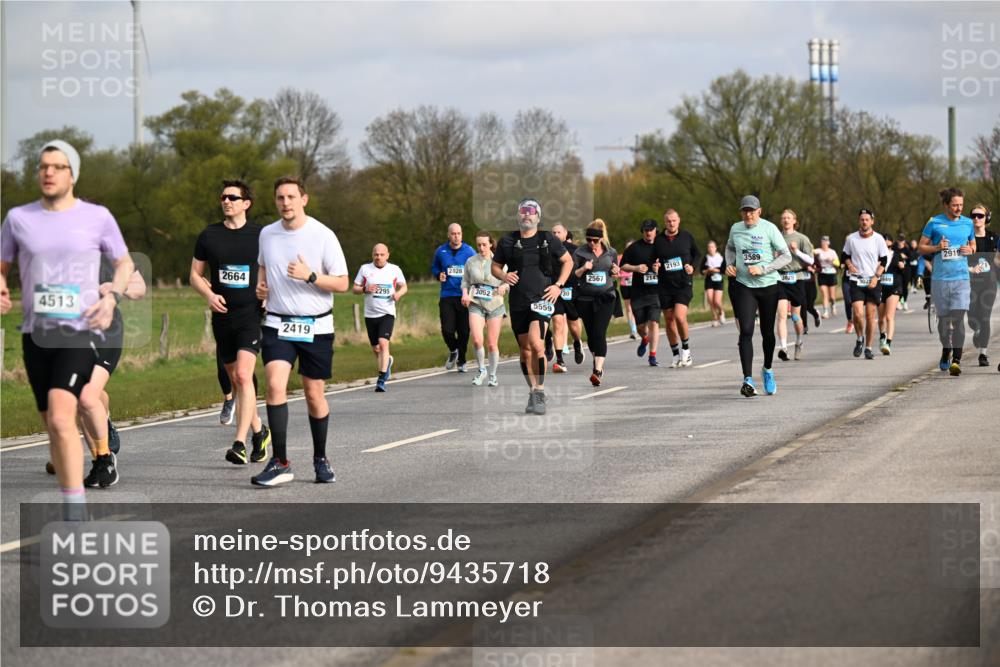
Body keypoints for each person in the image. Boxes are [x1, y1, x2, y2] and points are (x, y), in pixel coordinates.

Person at [1, 140, 134, 516]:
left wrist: (111, 299)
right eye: (43, 166)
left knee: (63, 414)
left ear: (71, 174)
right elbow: (2, 265)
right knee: (55, 427)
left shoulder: (98, 217)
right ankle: (74, 490)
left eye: (57, 166)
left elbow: (124, 265)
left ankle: (75, 513)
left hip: (80, 330)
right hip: (35, 335)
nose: (48, 172)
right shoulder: (18, 219)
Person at [251, 176, 349, 486]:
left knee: (313, 393)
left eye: (291, 197)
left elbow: (343, 283)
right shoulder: (267, 234)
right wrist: (261, 287)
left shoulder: (323, 236)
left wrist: (310, 276)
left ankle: (320, 458)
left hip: (316, 325)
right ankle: (279, 462)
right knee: (274, 385)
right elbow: (263, 267)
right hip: (278, 323)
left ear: (303, 199)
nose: (285, 203)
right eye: (280, 197)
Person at [191, 179, 272, 465]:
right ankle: (260, 431)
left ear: (246, 204)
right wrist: (209, 295)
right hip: (222, 318)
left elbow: (271, 271)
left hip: (250, 315)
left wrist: (266, 291)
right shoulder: (209, 235)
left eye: (233, 197)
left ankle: (239, 443)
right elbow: (194, 274)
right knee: (236, 380)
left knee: (242, 376)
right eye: (223, 197)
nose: (226, 201)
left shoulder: (262, 236)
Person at [491, 199, 572, 415]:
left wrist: (558, 286)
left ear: (538, 217)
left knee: (537, 344)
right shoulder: (508, 241)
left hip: (542, 299)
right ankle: (532, 391)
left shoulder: (547, 239)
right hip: (518, 301)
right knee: (525, 350)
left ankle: (540, 391)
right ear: (518, 215)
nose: (527, 215)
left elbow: (568, 261)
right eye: (523, 211)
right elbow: (495, 266)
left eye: (531, 211)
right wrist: (503, 275)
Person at [724, 195, 791, 396]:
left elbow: (786, 256)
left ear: (759, 211)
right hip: (744, 285)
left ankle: (768, 370)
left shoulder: (769, 228)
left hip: (768, 285)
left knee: (767, 333)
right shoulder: (736, 228)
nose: (748, 214)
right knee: (745, 330)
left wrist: (764, 269)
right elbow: (729, 248)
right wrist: (730, 263)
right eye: (745, 210)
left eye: (752, 211)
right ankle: (748, 380)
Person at [919, 187, 975, 376]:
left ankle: (957, 361)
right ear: (945, 205)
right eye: (955, 205)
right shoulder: (934, 223)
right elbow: (921, 247)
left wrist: (971, 250)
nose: (959, 208)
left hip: (961, 278)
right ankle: (946, 350)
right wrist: (936, 246)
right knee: (944, 322)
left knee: (958, 319)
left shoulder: (968, 224)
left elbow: (972, 244)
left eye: (961, 205)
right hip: (940, 279)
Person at [353, 243, 407, 392]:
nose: (378, 257)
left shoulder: (394, 270)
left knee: (383, 344)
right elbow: (354, 289)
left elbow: (404, 287)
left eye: (382, 254)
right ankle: (387, 361)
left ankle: (381, 379)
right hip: (370, 314)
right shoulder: (365, 269)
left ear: (387, 255)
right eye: (376, 254)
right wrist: (364, 289)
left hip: (387, 313)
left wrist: (398, 294)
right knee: (376, 349)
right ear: (372, 255)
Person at [573, 220, 620, 386]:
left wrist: (616, 272)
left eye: (595, 240)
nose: (592, 243)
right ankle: (596, 361)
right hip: (585, 299)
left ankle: (597, 370)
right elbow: (574, 275)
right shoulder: (580, 253)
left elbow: (615, 272)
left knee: (600, 333)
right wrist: (584, 268)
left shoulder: (611, 252)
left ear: (601, 239)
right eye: (589, 240)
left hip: (606, 297)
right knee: (592, 336)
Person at [655, 209, 700, 367]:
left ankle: (686, 351)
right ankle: (675, 354)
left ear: (678, 221)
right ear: (665, 222)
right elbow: (652, 259)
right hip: (665, 285)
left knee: (680, 317)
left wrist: (692, 267)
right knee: (669, 320)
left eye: (674, 220)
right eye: (668, 221)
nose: (671, 223)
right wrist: (655, 265)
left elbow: (697, 255)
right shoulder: (658, 240)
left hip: (683, 283)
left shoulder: (687, 237)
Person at [461, 230, 507, 387]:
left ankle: (493, 375)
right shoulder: (470, 261)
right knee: (476, 339)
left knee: (492, 344)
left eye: (484, 245)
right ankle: (481, 370)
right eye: (478, 245)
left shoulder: (500, 262)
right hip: (476, 303)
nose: (481, 248)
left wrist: (505, 287)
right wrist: (465, 294)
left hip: (495, 304)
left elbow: (509, 280)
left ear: (491, 244)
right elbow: (465, 281)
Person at [843, 208, 889, 360]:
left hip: (873, 280)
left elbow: (884, 260)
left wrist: (876, 277)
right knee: (857, 313)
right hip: (856, 280)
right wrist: (849, 265)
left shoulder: (878, 239)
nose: (864, 222)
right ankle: (859, 339)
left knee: (870, 315)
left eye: (867, 219)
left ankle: (868, 347)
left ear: (872, 221)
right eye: (862, 219)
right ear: (859, 221)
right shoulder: (852, 239)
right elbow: (845, 255)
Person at [431, 223, 475, 372]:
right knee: (447, 330)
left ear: (461, 235)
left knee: (463, 331)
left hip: (464, 296)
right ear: (448, 235)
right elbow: (435, 267)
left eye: (459, 233)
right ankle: (454, 350)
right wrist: (439, 275)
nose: (456, 236)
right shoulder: (441, 251)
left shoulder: (469, 251)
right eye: (453, 234)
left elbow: (476, 270)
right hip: (447, 295)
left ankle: (462, 360)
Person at [620, 220, 662, 366]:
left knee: (654, 323)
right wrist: (636, 268)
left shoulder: (662, 246)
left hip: (656, 292)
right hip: (638, 293)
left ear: (656, 230)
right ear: (642, 231)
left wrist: (660, 269)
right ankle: (644, 338)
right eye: (646, 230)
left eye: (651, 230)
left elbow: (671, 263)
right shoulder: (634, 248)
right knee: (640, 327)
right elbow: (623, 265)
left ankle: (652, 355)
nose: (648, 233)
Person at [775, 209, 814, 361]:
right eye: (783, 217)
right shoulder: (775, 237)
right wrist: (774, 256)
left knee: (796, 317)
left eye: (788, 218)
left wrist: (796, 251)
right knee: (782, 315)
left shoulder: (801, 238)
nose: (786, 220)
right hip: (780, 279)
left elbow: (811, 261)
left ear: (794, 220)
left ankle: (799, 341)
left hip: (796, 279)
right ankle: (783, 347)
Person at [548, 223, 585, 372]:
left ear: (565, 234)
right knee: (557, 321)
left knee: (573, 325)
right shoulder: (547, 250)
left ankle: (577, 342)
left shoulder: (575, 251)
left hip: (571, 291)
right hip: (554, 291)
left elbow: (582, 270)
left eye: (559, 232)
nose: (556, 235)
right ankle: (560, 360)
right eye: (553, 233)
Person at [968, 204, 997, 367]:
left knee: (985, 316)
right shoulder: (966, 238)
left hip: (989, 284)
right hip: (970, 283)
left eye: (980, 216)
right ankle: (976, 330)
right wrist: (969, 268)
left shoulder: (994, 237)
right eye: (974, 216)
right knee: (972, 317)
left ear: (987, 218)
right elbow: (959, 259)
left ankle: (983, 354)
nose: (977, 219)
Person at [877, 234, 906, 355]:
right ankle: (882, 336)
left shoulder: (897, 254)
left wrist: (901, 265)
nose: (886, 241)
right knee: (881, 319)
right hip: (880, 288)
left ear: (891, 242)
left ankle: (888, 343)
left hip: (894, 287)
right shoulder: (877, 255)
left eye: (888, 240)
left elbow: (903, 266)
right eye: (884, 240)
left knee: (889, 317)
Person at [700, 241, 727, 326]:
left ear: (715, 248)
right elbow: (701, 271)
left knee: (717, 301)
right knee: (710, 300)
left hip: (718, 280)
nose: (710, 249)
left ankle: (722, 311)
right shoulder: (706, 258)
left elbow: (724, 270)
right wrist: (707, 271)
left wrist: (716, 270)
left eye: (712, 247)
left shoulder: (720, 258)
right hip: (709, 280)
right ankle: (715, 318)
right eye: (709, 247)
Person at [814, 235, 840, 319]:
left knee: (832, 296)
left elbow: (838, 263)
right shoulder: (818, 251)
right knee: (824, 294)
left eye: (826, 242)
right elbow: (810, 252)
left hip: (831, 273)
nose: (824, 243)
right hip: (822, 273)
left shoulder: (832, 252)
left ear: (828, 243)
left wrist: (831, 260)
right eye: (823, 241)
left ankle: (833, 304)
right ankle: (825, 312)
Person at [618, 239, 639, 339]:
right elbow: (616, 271)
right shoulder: (620, 258)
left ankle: (642, 327)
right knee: (629, 308)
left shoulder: (639, 257)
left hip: (636, 285)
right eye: (628, 247)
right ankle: (633, 330)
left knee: (638, 307)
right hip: (625, 285)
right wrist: (618, 275)